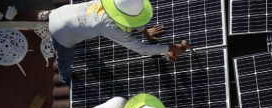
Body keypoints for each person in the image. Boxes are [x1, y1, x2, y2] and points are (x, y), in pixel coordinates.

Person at [49, 0, 190, 85]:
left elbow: (132, 16)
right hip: (59, 32)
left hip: (62, 13)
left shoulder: (116, 3)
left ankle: (77, 34)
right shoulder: (109, 26)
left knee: (81, 32)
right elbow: (142, 49)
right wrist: (170, 48)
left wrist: (145, 32)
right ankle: (65, 79)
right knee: (64, 60)